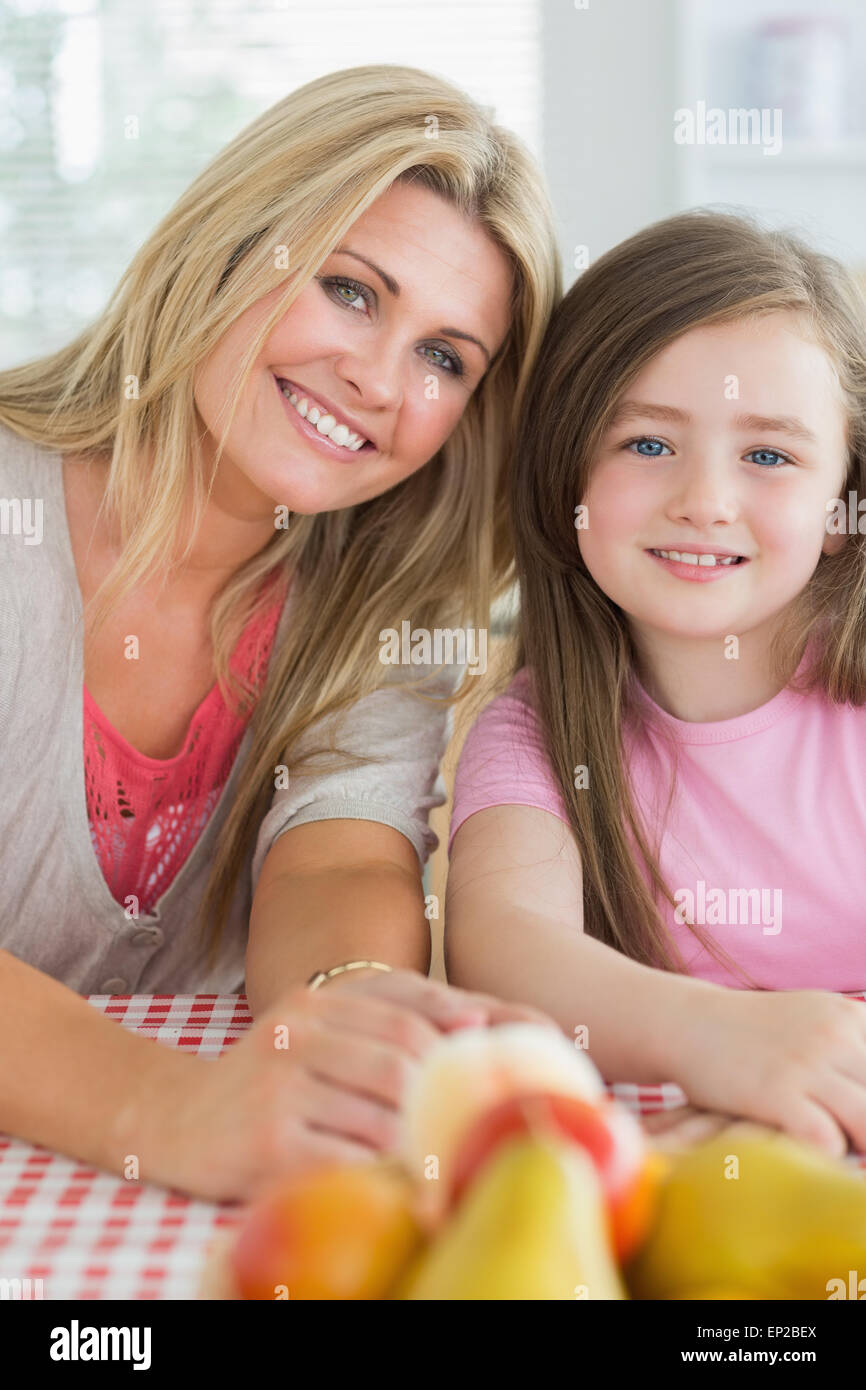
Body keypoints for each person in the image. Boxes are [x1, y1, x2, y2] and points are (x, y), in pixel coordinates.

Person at [0, 64, 561, 1202]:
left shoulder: (378, 591)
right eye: (352, 291)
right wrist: (159, 1105)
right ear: (233, 242)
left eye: (444, 357)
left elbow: (342, 851)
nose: (374, 377)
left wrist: (350, 1000)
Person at [445, 209, 866, 1159]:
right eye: (646, 444)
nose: (705, 501)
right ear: (566, 476)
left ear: (843, 506)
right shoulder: (533, 732)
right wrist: (714, 1042)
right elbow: (503, 946)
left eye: (768, 455)